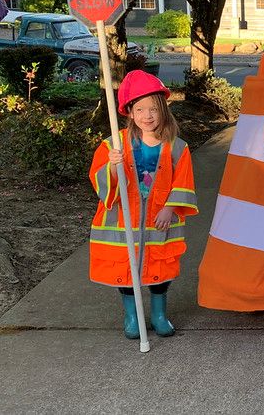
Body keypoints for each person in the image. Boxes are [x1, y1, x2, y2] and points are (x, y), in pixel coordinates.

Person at [88, 70, 198, 339]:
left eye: (153, 109)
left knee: (160, 269)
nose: (147, 116)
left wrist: (170, 207)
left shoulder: (177, 147)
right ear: (129, 112)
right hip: (124, 220)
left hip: (159, 221)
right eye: (140, 109)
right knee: (126, 269)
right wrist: (113, 168)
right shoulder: (113, 144)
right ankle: (132, 316)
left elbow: (183, 181)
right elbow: (100, 181)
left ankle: (159, 315)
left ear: (163, 111)